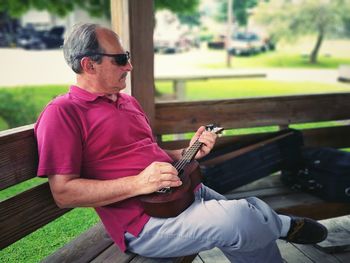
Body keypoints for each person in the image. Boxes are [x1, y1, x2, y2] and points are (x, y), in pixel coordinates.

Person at [35, 23, 327, 263]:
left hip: (182, 194)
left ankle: (281, 227)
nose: (130, 66)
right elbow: (64, 193)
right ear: (89, 65)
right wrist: (138, 183)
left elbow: (154, 155)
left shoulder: (127, 102)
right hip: (145, 223)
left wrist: (188, 150)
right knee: (243, 217)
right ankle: (285, 226)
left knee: (249, 213)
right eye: (121, 59)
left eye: (128, 56)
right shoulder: (63, 112)